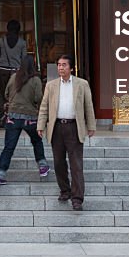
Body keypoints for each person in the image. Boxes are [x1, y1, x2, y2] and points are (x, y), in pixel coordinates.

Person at [37, 54, 96, 211]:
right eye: (58, 65)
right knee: (58, 163)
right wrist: (40, 125)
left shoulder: (81, 84)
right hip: (56, 127)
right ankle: (65, 190)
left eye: (64, 65)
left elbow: (88, 106)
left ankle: (77, 198)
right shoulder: (51, 85)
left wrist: (91, 125)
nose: (60, 67)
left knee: (76, 164)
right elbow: (44, 106)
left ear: (71, 67)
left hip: (74, 127)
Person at [0, 56, 50, 186]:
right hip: (30, 117)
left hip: (13, 117)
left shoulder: (14, 77)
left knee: (9, 147)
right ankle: (42, 166)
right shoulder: (35, 80)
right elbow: (38, 97)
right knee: (36, 141)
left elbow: (6, 94)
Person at [0, 20, 27, 128]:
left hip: (2, 71)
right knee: (14, 96)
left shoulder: (2, 41)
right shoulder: (22, 43)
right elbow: (24, 59)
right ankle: (12, 117)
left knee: (0, 95)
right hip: (16, 72)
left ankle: (1, 116)